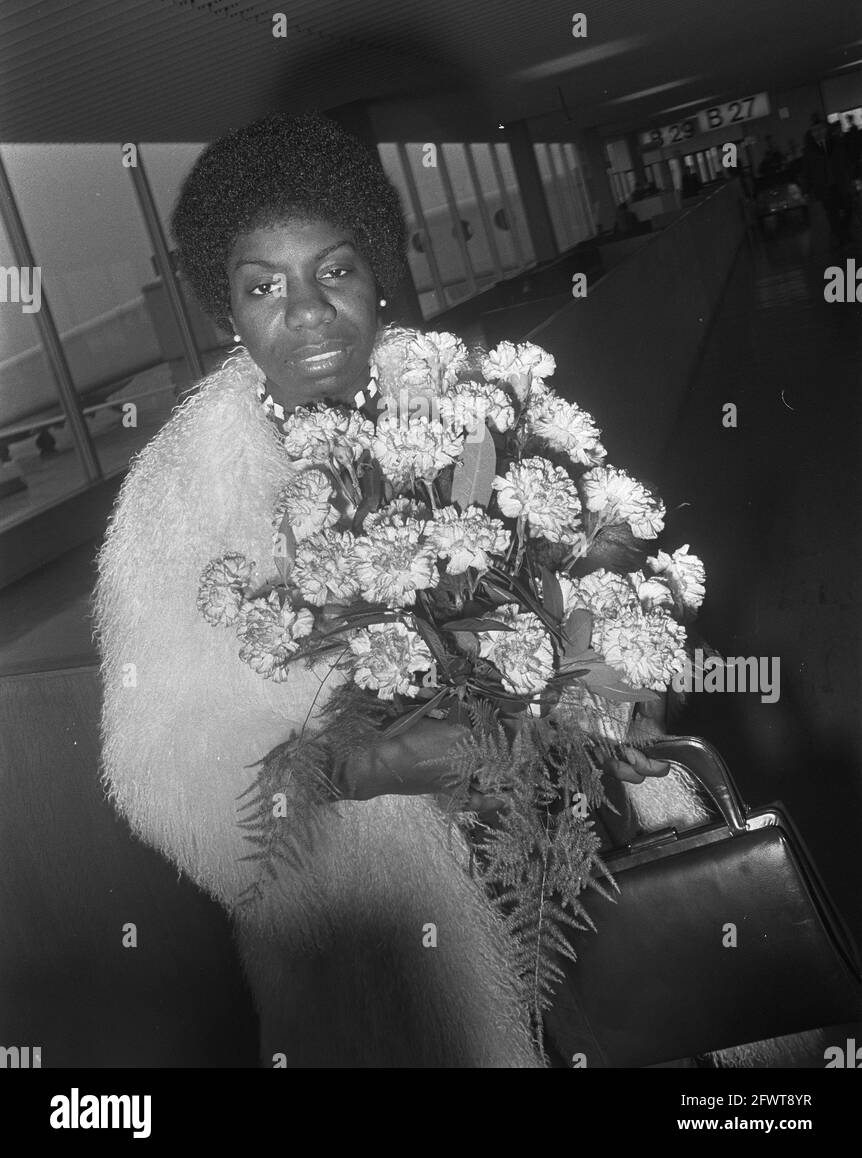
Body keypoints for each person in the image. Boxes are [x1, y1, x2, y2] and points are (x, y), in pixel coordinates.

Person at [94, 113, 690, 1070]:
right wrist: (373, 767)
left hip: (579, 875)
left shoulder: (477, 404)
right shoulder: (178, 500)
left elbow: (604, 586)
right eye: (262, 287)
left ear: (377, 272)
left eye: (333, 271)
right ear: (227, 310)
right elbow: (161, 771)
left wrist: (609, 693)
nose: (307, 312)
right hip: (387, 953)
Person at [801, 114, 852, 248]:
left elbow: (845, 161)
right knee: (832, 214)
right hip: (825, 188)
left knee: (848, 207)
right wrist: (805, 191)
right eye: (815, 131)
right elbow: (806, 171)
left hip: (840, 183)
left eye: (820, 129)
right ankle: (841, 238)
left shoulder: (836, 143)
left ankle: (843, 231)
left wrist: (851, 177)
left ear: (825, 129)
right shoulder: (809, 151)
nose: (818, 133)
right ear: (811, 134)